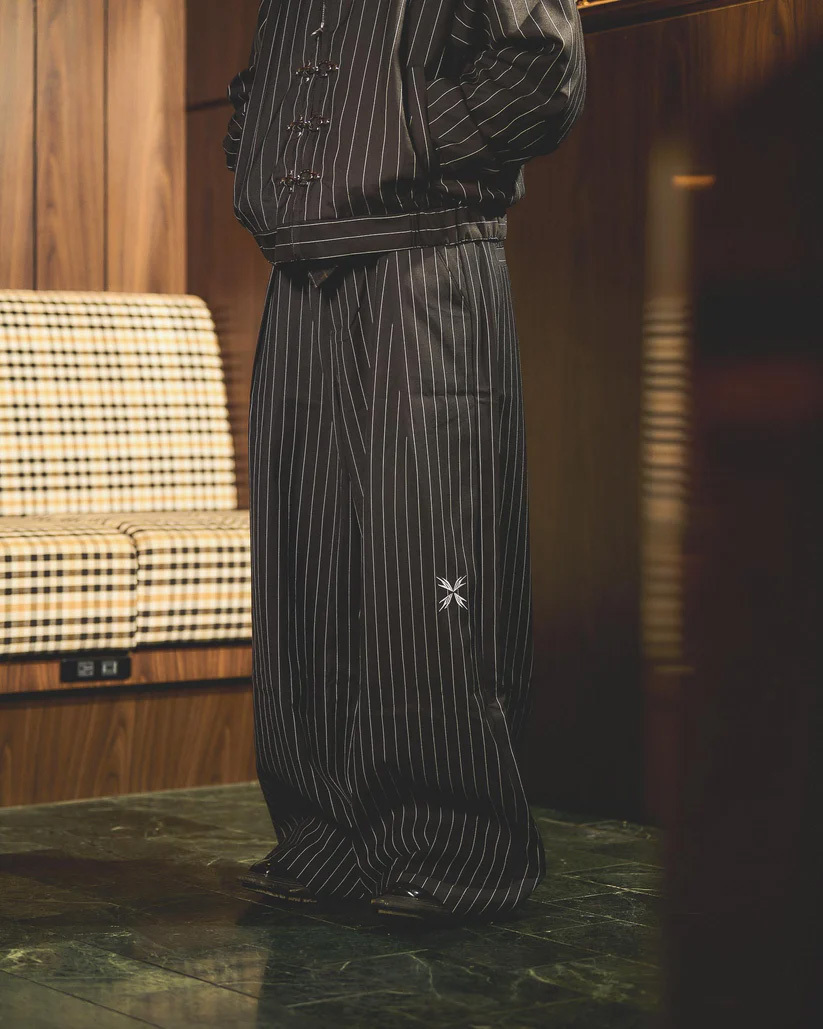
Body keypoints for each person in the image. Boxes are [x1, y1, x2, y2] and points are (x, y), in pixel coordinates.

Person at [223, 0, 586, 923]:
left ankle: (457, 848)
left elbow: (542, 71)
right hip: (302, 272)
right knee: (304, 569)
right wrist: (264, 151)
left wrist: (406, 139)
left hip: (424, 264)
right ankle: (325, 839)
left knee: (428, 567)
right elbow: (270, 76)